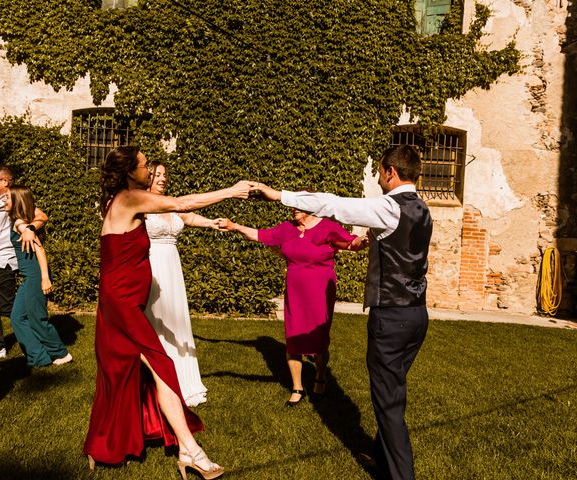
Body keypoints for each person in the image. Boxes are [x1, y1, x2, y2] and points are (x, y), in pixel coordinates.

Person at [253, 145, 433, 480]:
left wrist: (280, 196)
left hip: (392, 316)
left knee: (389, 403)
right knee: (393, 391)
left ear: (391, 172)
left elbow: (332, 205)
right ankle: (382, 453)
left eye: (380, 171)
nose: (379, 178)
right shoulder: (423, 208)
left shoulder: (389, 208)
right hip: (417, 316)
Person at [84, 146, 253, 479]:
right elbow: (181, 204)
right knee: (161, 366)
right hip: (121, 304)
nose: (150, 171)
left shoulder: (128, 199)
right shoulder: (130, 198)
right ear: (131, 172)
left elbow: (182, 215)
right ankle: (191, 451)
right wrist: (232, 191)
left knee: (125, 372)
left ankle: (103, 444)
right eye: (146, 166)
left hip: (124, 302)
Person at [217, 209, 363, 406]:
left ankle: (320, 375)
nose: (293, 209)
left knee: (319, 338)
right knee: (293, 337)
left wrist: (364, 241)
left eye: (298, 205)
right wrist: (234, 226)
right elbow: (260, 235)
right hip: (295, 290)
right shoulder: (288, 228)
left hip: (320, 290)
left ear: (311, 207)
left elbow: (351, 243)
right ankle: (297, 388)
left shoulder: (328, 227)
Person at [144, 161, 217, 407]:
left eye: (165, 175)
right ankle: (156, 380)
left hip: (172, 267)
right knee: (154, 319)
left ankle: (184, 381)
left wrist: (213, 223)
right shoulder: (141, 203)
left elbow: (191, 217)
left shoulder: (171, 202)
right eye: (157, 175)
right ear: (147, 177)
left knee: (176, 317)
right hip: (151, 266)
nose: (163, 179)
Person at [0, 166, 47, 359]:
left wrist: (30, 229)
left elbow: (41, 216)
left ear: (5, 182)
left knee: (10, 308)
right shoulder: (0, 201)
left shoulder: (12, 199)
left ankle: (38, 341)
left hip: (1, 263)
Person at [5, 186, 72, 367]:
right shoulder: (18, 220)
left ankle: (61, 353)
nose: (4, 201)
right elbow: (41, 215)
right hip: (29, 275)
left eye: (8, 199)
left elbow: (40, 250)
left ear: (17, 202)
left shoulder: (21, 224)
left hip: (36, 275)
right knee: (17, 318)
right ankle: (38, 357)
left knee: (37, 318)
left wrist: (45, 278)